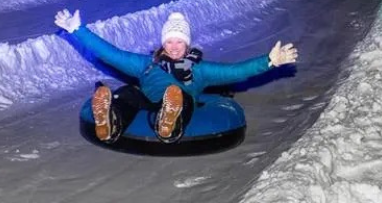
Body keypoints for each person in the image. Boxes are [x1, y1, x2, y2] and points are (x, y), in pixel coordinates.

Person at [55, 9, 299, 144]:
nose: (173, 46)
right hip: (147, 97)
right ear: (163, 42)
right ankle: (110, 121)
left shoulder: (200, 69)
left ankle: (168, 123)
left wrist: (268, 61)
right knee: (128, 94)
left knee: (180, 98)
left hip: (176, 101)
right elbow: (112, 54)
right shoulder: (147, 64)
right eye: (169, 41)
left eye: (179, 41)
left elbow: (235, 71)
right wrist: (78, 30)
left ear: (187, 43)